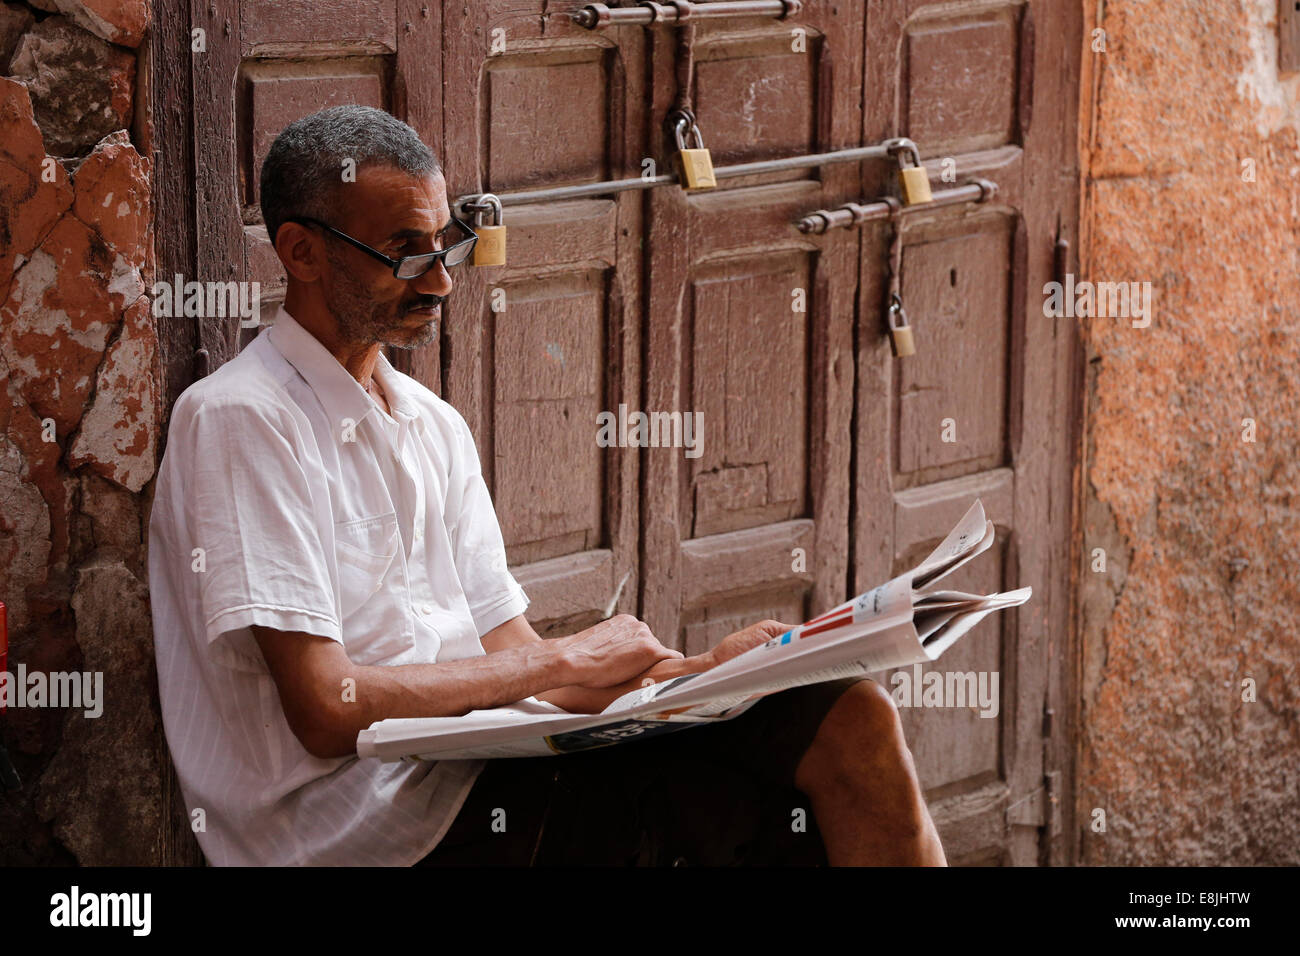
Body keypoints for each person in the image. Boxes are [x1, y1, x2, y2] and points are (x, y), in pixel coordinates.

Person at [148, 105, 946, 866]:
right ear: (301, 251)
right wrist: (559, 661)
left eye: (444, 247)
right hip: (364, 827)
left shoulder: (430, 423)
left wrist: (707, 672)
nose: (440, 285)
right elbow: (326, 709)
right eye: (405, 252)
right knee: (740, 811)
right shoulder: (239, 420)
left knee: (844, 713)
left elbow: (524, 662)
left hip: (486, 767)